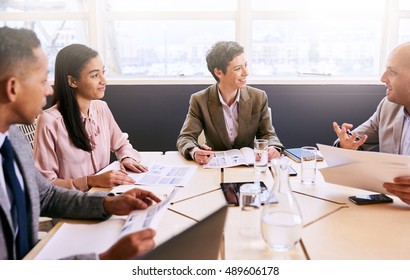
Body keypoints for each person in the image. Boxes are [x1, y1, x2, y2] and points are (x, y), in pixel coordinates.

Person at [0, 26, 160, 260]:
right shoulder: (48, 120)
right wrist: (104, 261)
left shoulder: (11, 137)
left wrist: (108, 204)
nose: (49, 89)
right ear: (12, 88)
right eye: (43, 80)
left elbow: (46, 196)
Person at [33, 44, 148, 192]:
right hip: (73, 204)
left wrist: (127, 158)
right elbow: (44, 185)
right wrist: (90, 181)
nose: (104, 80)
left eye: (103, 72)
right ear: (72, 81)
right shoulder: (49, 121)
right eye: (95, 75)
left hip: (105, 196)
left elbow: (121, 145)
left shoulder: (101, 108)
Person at [176, 41, 284, 165]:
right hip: (216, 168)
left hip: (249, 168)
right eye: (238, 68)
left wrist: (273, 148)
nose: (246, 73)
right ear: (218, 73)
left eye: (245, 65)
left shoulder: (258, 97)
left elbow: (268, 134)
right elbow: (185, 138)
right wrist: (195, 151)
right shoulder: (199, 100)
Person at [332, 41, 410, 205]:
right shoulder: (388, 106)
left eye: (393, 72)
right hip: (393, 209)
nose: (382, 78)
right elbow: (356, 140)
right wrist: (346, 146)